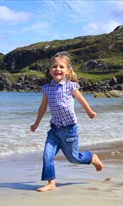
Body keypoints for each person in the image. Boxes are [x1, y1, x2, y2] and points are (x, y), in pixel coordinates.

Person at [30, 51, 103, 192]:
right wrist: (36, 123)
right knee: (47, 155)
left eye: (61, 67)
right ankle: (51, 182)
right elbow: (43, 107)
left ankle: (92, 158)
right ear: (49, 71)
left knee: (73, 158)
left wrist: (90, 112)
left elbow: (81, 100)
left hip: (69, 129)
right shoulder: (46, 89)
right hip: (54, 129)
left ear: (68, 71)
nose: (58, 69)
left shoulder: (71, 86)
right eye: (54, 66)